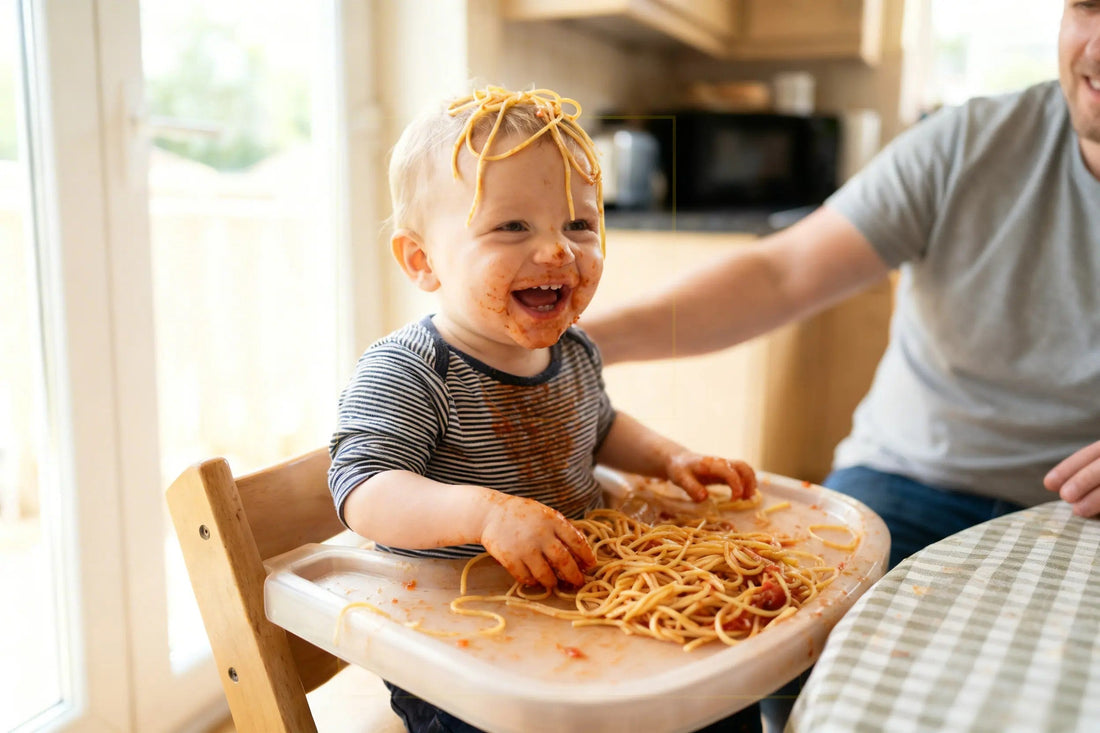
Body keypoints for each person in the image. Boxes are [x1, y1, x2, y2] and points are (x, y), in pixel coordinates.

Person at [583, 0, 1100, 575]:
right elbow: (781, 274)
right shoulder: (967, 142)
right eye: (1089, 7)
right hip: (906, 482)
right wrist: (580, 342)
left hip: (1079, 513)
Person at [327, 85, 759, 733]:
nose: (559, 251)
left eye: (580, 224)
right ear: (422, 261)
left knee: (720, 694)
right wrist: (484, 512)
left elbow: (599, 427)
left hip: (582, 604)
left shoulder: (575, 349)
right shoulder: (410, 371)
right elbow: (363, 489)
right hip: (461, 643)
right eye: (511, 226)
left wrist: (671, 457)